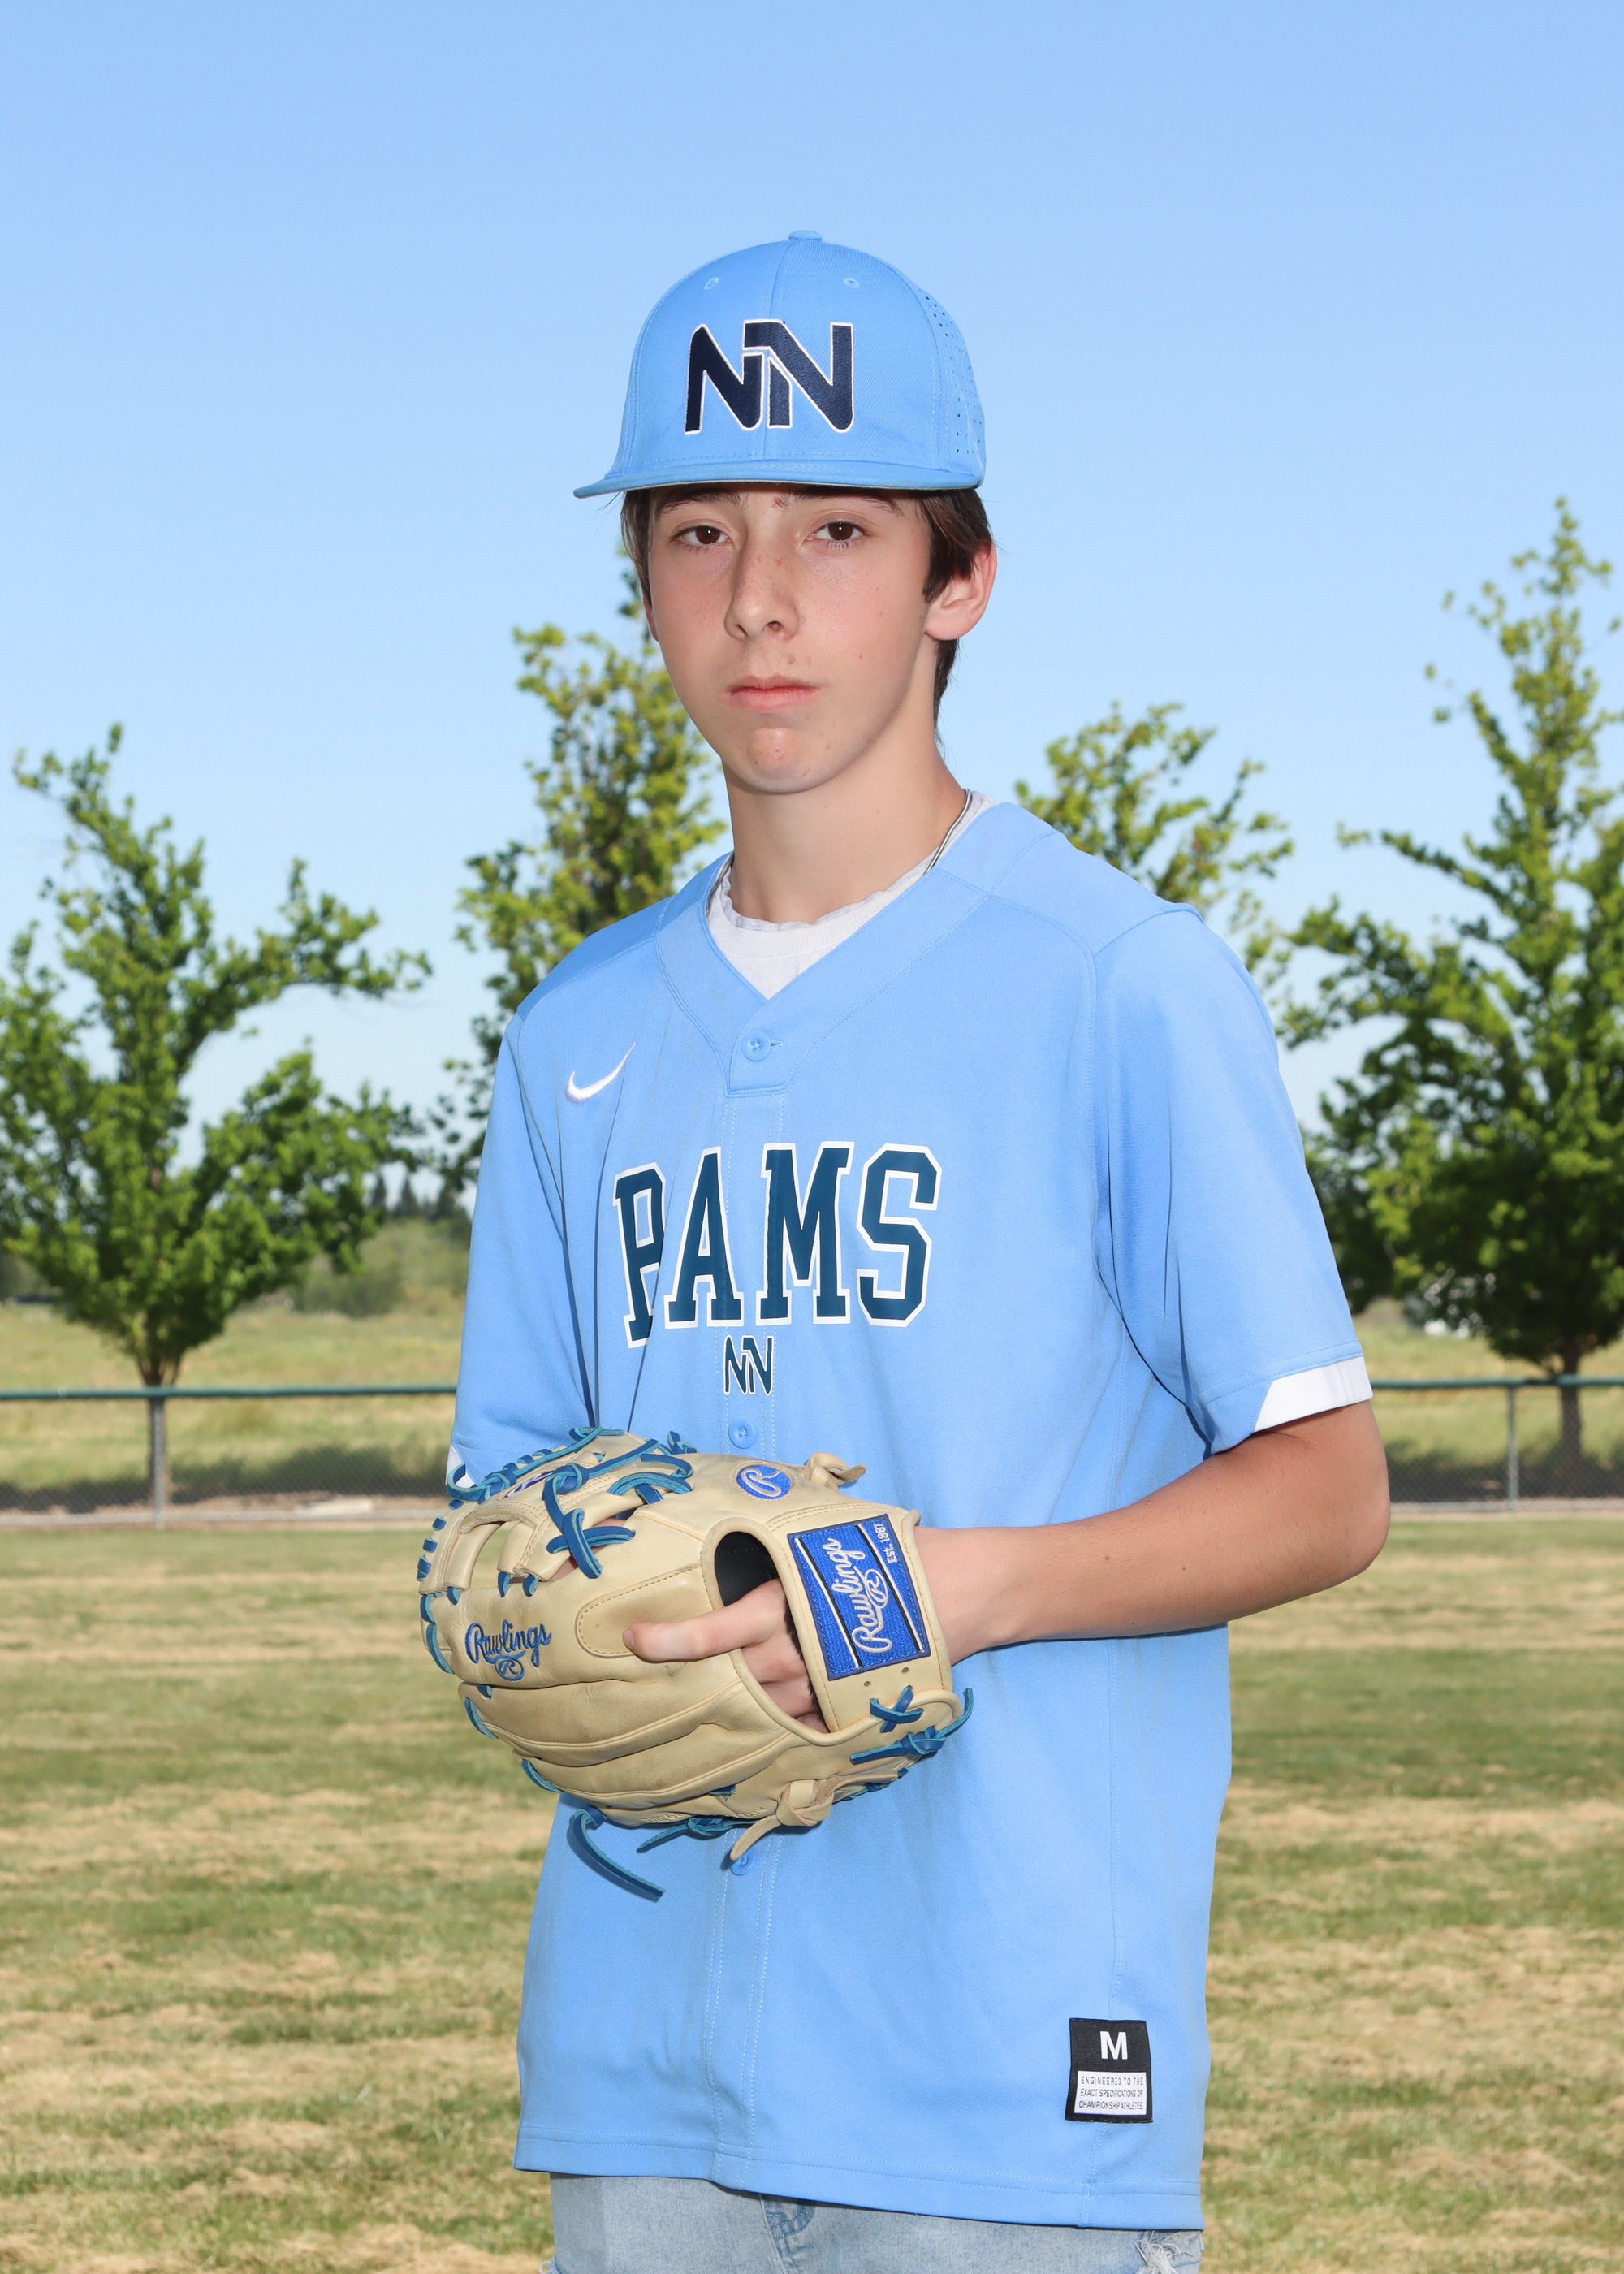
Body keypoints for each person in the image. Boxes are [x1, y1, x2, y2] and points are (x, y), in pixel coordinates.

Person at [451, 231, 1389, 2274]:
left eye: (839, 527)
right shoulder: (572, 1037)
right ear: (641, 580)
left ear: (959, 580)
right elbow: (504, 1504)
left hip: (1003, 2051)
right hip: (640, 2044)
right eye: (697, 529)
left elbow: (1329, 1483)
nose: (759, 598)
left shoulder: (1118, 981)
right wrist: (549, 1616)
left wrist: (953, 1587)